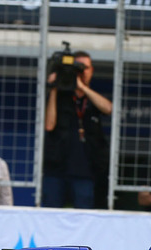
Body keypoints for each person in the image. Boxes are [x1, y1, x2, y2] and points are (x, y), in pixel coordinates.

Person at [43, 50, 111, 209]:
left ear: (92, 70)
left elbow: (108, 108)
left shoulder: (93, 97)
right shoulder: (60, 96)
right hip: (57, 169)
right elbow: (49, 125)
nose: (81, 72)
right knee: (51, 214)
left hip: (85, 170)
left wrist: (81, 86)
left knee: (84, 216)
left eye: (85, 68)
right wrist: (54, 88)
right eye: (77, 69)